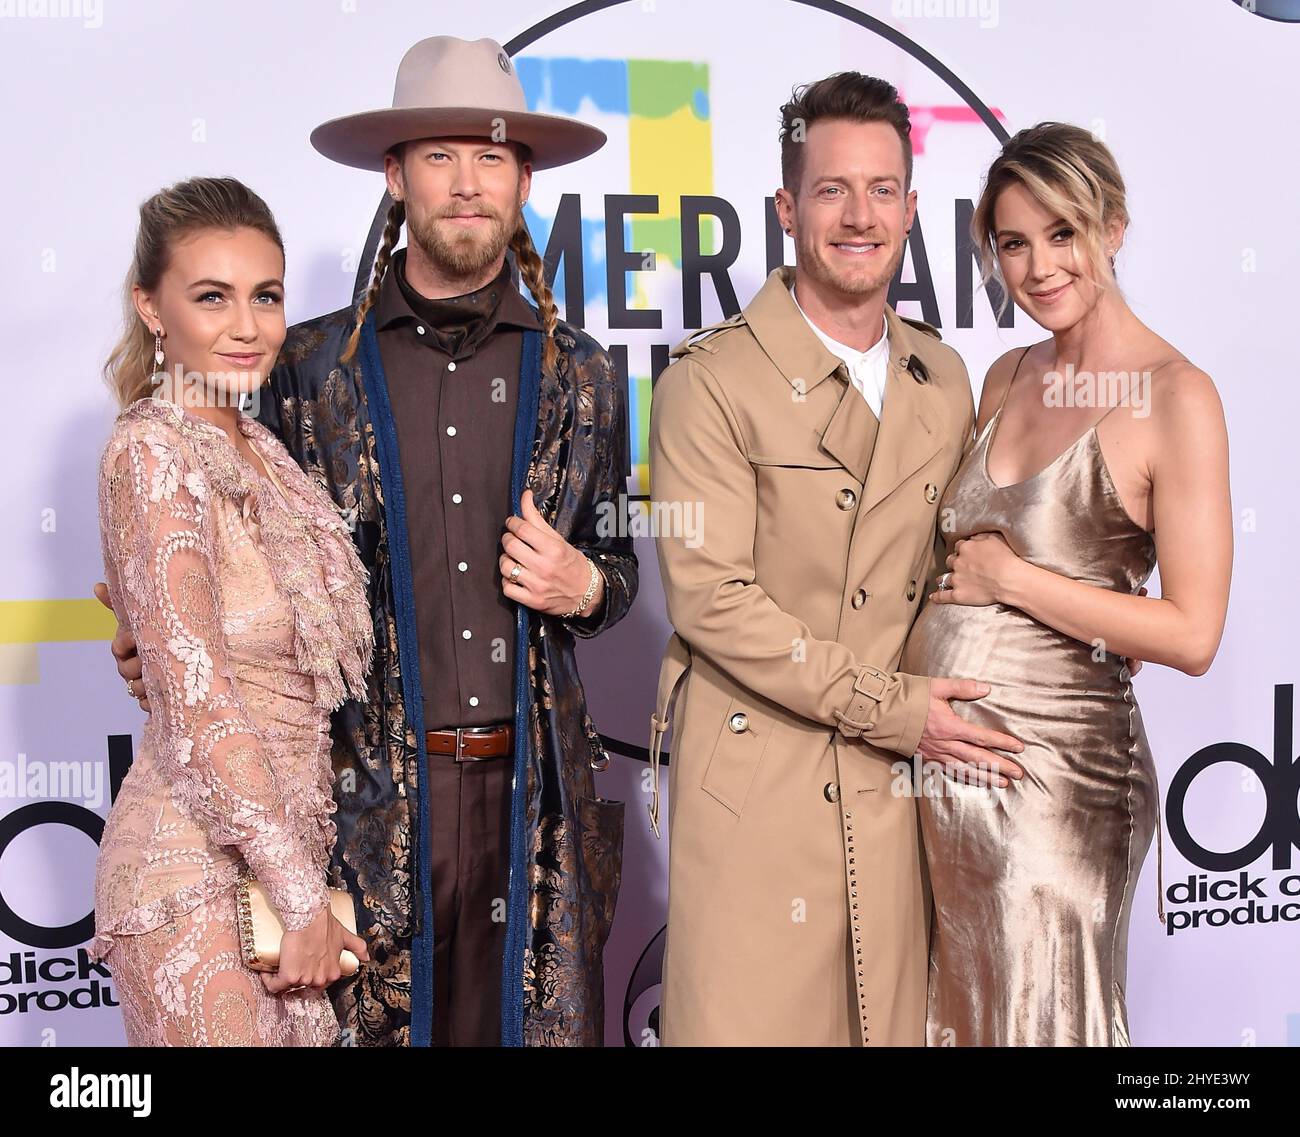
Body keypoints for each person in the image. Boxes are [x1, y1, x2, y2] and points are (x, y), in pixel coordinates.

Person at [100, 36, 636, 1047]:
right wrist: (153, 647)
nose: (466, 184)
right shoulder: (301, 366)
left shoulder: (586, 376)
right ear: (395, 178)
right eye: (438, 157)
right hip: (360, 803)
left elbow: (620, 571)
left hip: (537, 798)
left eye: (490, 158)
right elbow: (215, 555)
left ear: (524, 179)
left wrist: (585, 589)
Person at [647, 72, 1024, 1046]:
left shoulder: (941, 376)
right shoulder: (706, 382)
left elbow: (969, 567)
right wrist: (897, 711)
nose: (860, 216)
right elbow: (711, 600)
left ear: (908, 203)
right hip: (759, 793)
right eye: (831, 189)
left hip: (902, 802)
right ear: (785, 205)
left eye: (882, 189)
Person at [900, 122, 1232, 1046]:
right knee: (957, 1018)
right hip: (946, 772)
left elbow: (1191, 633)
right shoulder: (1008, 373)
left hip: (1059, 784)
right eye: (1013, 242)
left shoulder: (1176, 394)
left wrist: (1013, 579)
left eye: (1063, 233)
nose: (1039, 266)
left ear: (1114, 228)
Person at [92, 176, 374, 1046]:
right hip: (191, 878)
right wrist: (301, 905)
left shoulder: (262, 453)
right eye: (211, 297)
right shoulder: (153, 451)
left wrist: (298, 896)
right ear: (151, 307)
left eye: (266, 296)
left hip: (274, 881)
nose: (247, 325)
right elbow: (201, 700)